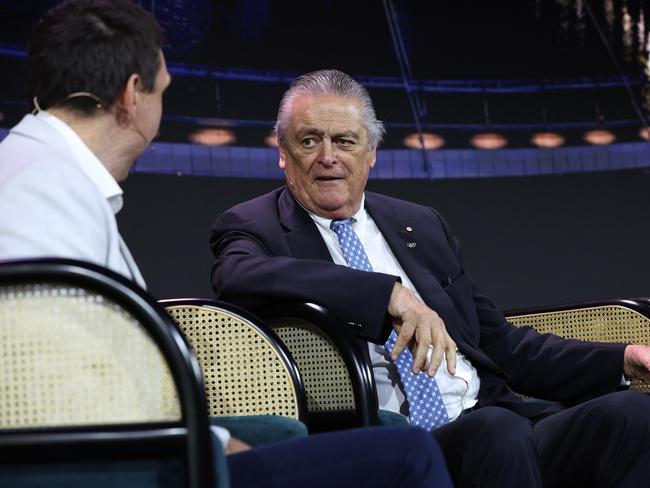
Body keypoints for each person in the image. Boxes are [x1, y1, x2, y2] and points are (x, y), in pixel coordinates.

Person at [0, 2, 453, 488]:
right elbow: (60, 387)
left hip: (131, 445)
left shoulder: (34, 172)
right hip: (116, 465)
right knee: (408, 453)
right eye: (164, 91)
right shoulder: (42, 195)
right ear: (134, 96)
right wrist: (212, 444)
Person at [210, 68, 650, 487]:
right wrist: (386, 294)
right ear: (283, 153)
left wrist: (623, 359)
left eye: (345, 141)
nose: (329, 157)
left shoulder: (418, 223)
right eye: (310, 141)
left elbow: (500, 345)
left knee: (631, 416)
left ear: (371, 153)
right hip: (395, 443)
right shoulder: (255, 226)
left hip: (493, 416)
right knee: (496, 433)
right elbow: (237, 274)